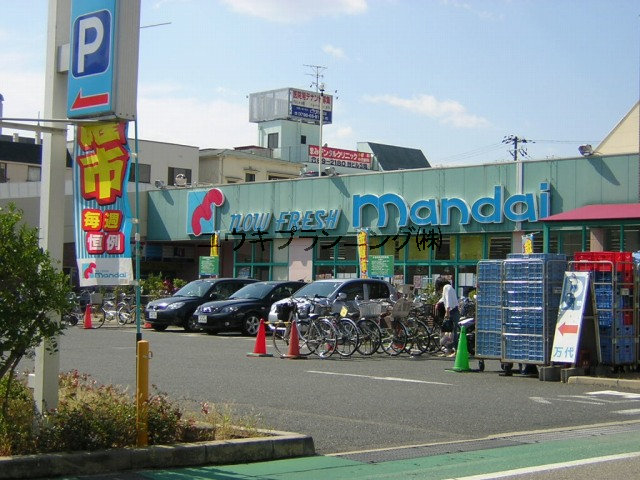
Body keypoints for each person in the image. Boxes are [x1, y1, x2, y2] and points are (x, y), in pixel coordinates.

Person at [435, 276, 460, 356]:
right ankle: (450, 350)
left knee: (452, 332)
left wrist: (447, 311)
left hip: (452, 311)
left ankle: (455, 351)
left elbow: (448, 300)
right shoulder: (449, 287)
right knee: (451, 332)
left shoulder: (446, 287)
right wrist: (438, 303)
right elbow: (444, 298)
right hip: (455, 311)